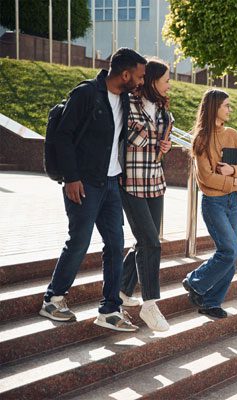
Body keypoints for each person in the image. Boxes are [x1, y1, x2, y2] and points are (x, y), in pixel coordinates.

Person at [40, 48, 147, 332]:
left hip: (111, 183)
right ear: (124, 74)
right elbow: (63, 136)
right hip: (84, 183)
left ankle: (110, 310)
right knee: (79, 241)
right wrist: (71, 178)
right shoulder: (86, 94)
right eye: (138, 76)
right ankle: (53, 299)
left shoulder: (125, 98)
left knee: (115, 245)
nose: (140, 81)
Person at [182, 89, 237, 318]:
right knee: (230, 250)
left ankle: (211, 302)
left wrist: (233, 170)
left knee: (231, 254)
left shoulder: (232, 134)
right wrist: (234, 181)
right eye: (226, 106)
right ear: (214, 108)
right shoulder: (201, 140)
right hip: (213, 203)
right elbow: (206, 178)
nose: (230, 110)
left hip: (232, 202)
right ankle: (195, 281)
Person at [118, 58, 173, 332]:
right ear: (152, 81)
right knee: (151, 242)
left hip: (155, 182)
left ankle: (121, 290)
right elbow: (123, 138)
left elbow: (159, 148)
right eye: (166, 80)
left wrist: (166, 145)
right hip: (131, 183)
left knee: (145, 240)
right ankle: (150, 305)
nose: (169, 84)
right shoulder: (127, 103)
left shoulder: (163, 108)